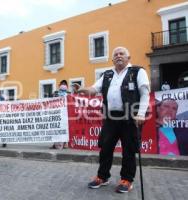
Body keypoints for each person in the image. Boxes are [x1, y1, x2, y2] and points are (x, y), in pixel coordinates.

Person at [79, 47, 150, 193]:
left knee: (129, 150)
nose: (118, 56)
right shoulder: (107, 74)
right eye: (116, 54)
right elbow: (94, 89)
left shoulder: (137, 72)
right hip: (110, 117)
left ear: (128, 57)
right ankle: (102, 176)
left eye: (121, 53)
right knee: (105, 148)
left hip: (130, 117)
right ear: (112, 59)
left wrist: (141, 114)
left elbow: (145, 93)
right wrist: (83, 89)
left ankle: (127, 179)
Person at [50, 80, 70, 149]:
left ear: (67, 86)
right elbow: (51, 101)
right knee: (56, 129)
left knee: (65, 129)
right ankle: (55, 144)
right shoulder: (56, 93)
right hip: (57, 113)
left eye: (64, 84)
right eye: (62, 84)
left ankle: (65, 143)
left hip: (66, 114)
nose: (63, 85)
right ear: (59, 85)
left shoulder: (69, 93)